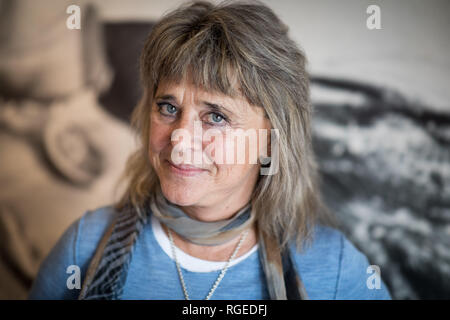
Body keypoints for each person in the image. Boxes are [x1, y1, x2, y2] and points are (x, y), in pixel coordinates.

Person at [29, 0, 391, 300]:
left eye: (215, 116)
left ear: (271, 138)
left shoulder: (336, 271)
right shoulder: (85, 247)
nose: (179, 139)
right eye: (168, 108)